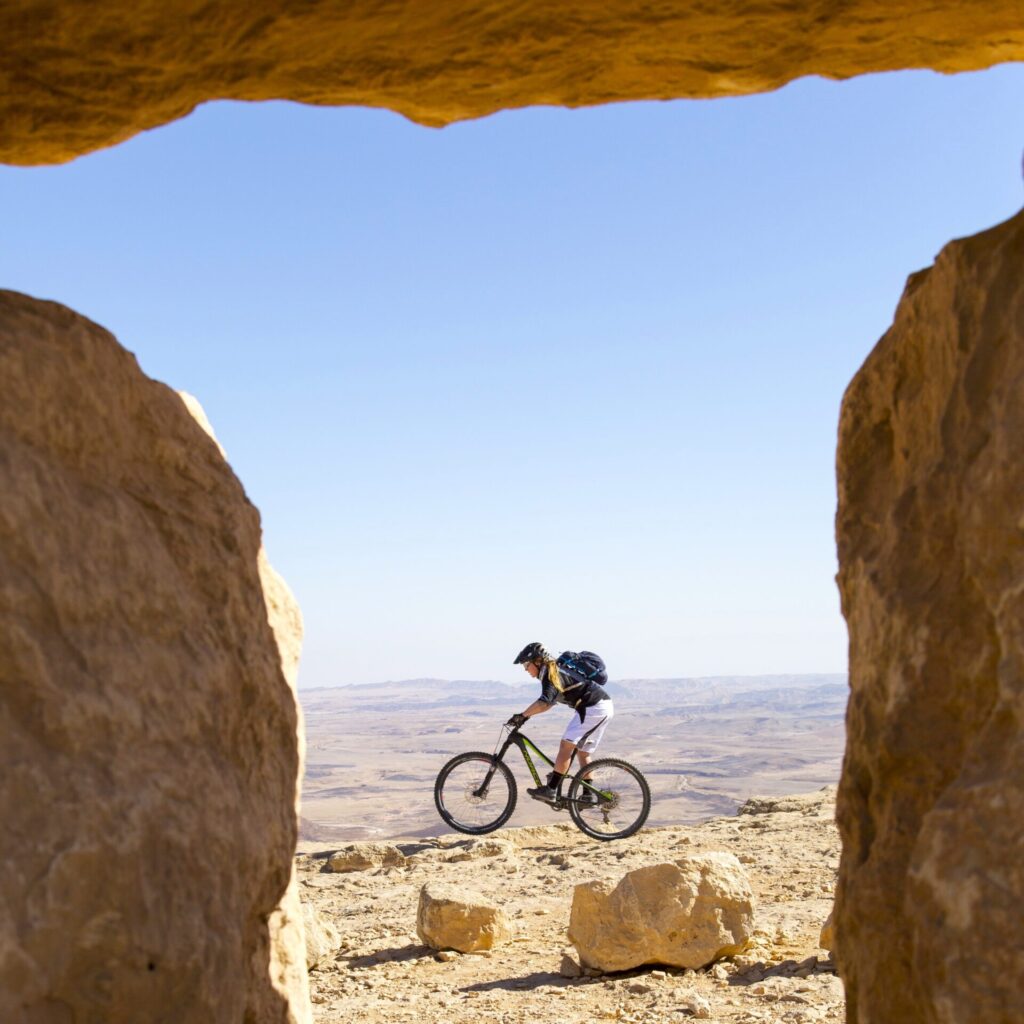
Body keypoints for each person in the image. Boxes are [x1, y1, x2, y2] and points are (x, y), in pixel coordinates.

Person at [507, 641, 614, 803]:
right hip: (599, 707)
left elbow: (544, 702)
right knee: (582, 753)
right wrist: (526, 715)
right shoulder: (554, 670)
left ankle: (552, 790)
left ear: (537, 661)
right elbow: (547, 703)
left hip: (593, 708)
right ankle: (587, 795)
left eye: (526, 665)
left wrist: (522, 716)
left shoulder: (551, 672)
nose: (526, 670)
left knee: (566, 745)